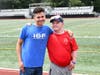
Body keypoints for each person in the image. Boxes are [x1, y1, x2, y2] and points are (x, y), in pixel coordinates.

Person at [16, 7, 53, 75]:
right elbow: (18, 44)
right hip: (26, 66)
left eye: (42, 16)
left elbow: (58, 34)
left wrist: (68, 31)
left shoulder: (47, 29)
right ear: (34, 18)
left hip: (39, 65)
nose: (41, 19)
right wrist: (20, 61)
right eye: (38, 17)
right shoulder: (26, 28)